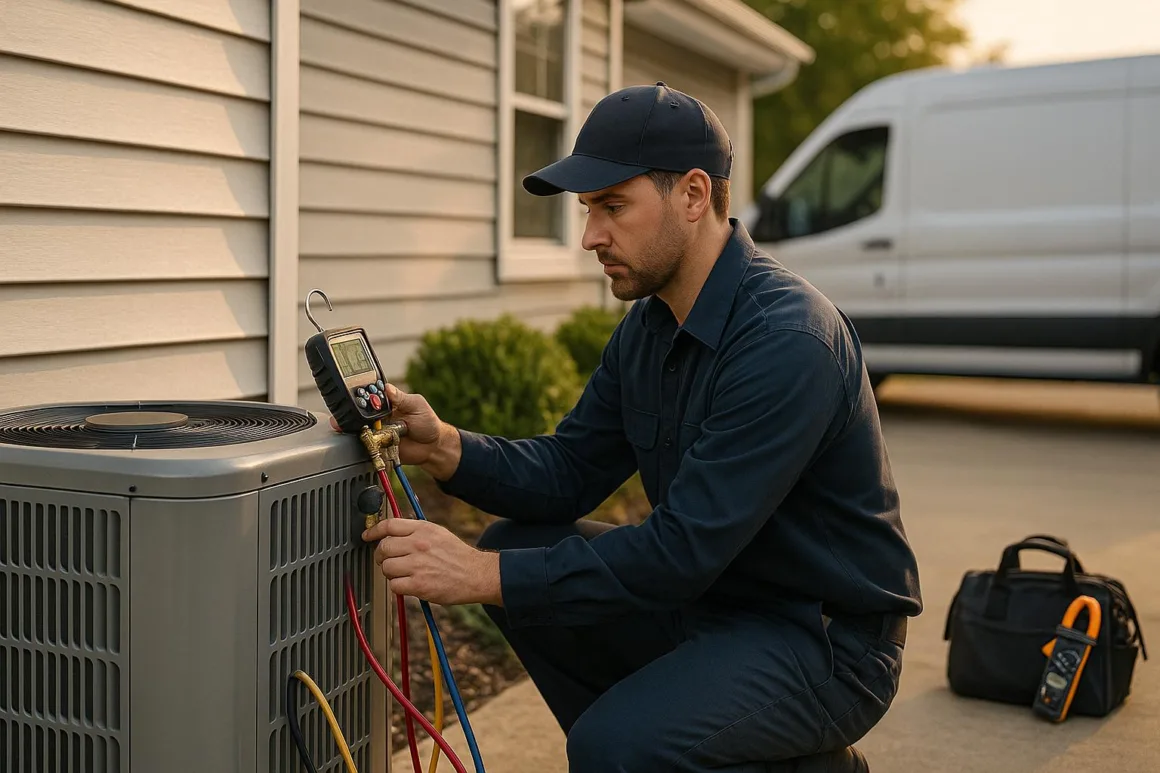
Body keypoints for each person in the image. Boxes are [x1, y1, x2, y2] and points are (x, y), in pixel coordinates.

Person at [352, 83, 923, 772]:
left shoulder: (788, 340)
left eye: (612, 206)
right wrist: (446, 447)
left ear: (692, 195)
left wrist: (480, 573)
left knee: (611, 744)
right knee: (523, 542)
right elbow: (569, 472)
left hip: (822, 639)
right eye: (590, 209)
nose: (591, 235)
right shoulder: (651, 328)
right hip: (713, 604)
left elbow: (680, 550)